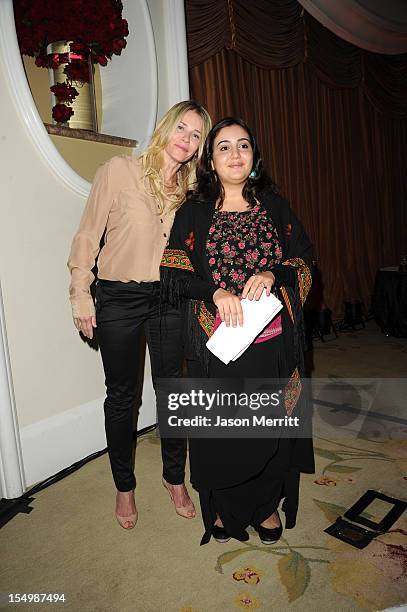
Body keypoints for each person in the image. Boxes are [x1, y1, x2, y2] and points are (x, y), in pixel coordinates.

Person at [160, 117, 315, 544]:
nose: (234, 154)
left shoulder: (275, 205)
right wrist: (214, 293)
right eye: (223, 147)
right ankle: (226, 509)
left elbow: (303, 259)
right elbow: (173, 272)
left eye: (243, 145)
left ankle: (265, 506)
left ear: (254, 156)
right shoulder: (193, 211)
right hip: (220, 344)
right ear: (210, 159)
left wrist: (272, 272)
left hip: (273, 341)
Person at [68, 101, 212, 529]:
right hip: (119, 297)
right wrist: (80, 291)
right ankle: (124, 487)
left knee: (173, 392)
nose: (185, 140)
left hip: (170, 299)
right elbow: (88, 233)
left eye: (196, 136)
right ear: (166, 127)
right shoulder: (119, 170)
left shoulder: (191, 192)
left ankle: (174, 479)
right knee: (122, 397)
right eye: (181, 128)